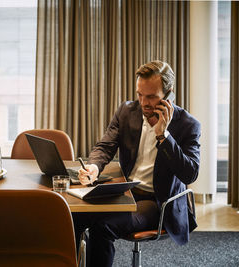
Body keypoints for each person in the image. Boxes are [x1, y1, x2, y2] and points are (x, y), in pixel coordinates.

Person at [73, 60, 200, 266]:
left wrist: (164, 136)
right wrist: (94, 167)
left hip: (157, 202)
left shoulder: (188, 125)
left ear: (169, 94)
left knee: (102, 228)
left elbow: (190, 174)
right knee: (71, 218)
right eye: (140, 94)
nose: (143, 102)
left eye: (151, 96)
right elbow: (105, 146)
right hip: (124, 194)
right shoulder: (126, 112)